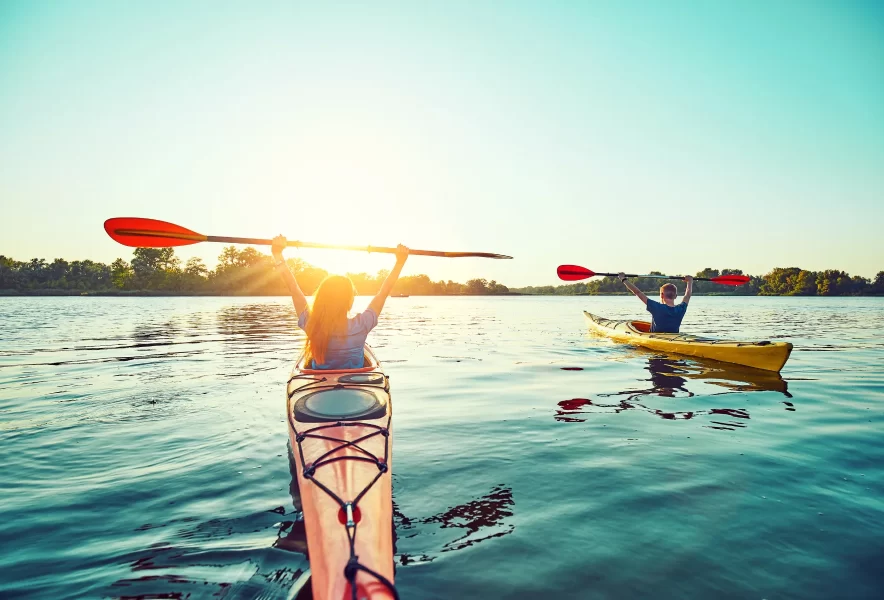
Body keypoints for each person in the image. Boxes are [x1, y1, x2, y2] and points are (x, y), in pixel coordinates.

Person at [271, 235, 409, 369]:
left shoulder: (311, 324)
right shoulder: (362, 325)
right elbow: (384, 292)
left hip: (320, 385)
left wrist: (277, 254)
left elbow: (293, 288)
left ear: (321, 297)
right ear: (349, 300)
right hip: (356, 383)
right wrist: (400, 262)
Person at [618, 272, 693, 333]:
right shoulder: (681, 309)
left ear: (662, 295)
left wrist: (623, 279)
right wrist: (690, 281)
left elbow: (638, 292)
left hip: (657, 338)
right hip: (674, 337)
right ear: (676, 296)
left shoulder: (656, 307)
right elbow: (687, 295)